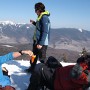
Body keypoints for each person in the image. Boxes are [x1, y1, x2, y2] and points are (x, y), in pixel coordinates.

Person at [26, 2, 51, 73]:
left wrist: (41, 43)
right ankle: (32, 68)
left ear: (38, 10)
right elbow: (39, 27)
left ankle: (45, 73)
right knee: (34, 55)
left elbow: (45, 31)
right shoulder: (40, 17)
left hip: (42, 43)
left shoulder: (44, 18)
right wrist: (34, 22)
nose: (35, 12)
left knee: (42, 58)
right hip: (36, 40)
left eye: (35, 10)